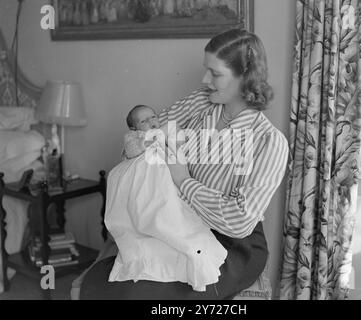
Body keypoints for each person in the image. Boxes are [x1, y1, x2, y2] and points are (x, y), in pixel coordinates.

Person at [79, 28, 289, 300]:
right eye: (206, 70)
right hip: (177, 226)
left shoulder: (269, 141)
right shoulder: (201, 102)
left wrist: (183, 181)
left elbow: (238, 221)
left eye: (215, 73)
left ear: (244, 77)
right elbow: (142, 137)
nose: (204, 79)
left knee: (145, 295)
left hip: (232, 247)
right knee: (107, 285)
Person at [104, 104, 228, 292]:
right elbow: (133, 150)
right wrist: (157, 135)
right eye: (143, 121)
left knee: (174, 209)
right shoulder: (134, 138)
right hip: (145, 172)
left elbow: (178, 143)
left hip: (164, 175)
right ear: (134, 128)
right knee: (151, 208)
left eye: (153, 117)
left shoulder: (165, 134)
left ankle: (188, 249)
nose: (151, 121)